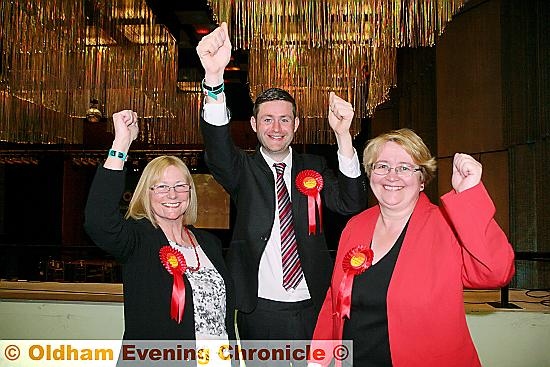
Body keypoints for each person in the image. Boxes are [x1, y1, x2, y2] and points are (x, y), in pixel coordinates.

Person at [196, 21, 368, 360]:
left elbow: (352, 202)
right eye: (268, 119)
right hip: (259, 308)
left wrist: (344, 137)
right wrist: (215, 81)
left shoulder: (313, 167)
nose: (277, 128)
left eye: (285, 119)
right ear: (255, 125)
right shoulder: (241, 169)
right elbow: (217, 149)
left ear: (296, 125)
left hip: (314, 302)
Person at [309, 128, 515, 367]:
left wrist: (468, 193)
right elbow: (335, 299)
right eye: (382, 166)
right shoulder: (356, 226)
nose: (392, 176)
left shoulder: (446, 225)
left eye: (405, 168)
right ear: (370, 173)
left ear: (422, 179)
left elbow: (497, 273)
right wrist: (319, 359)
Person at [84, 110, 236, 365]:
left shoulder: (210, 243)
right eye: (162, 187)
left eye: (180, 186)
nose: (172, 194)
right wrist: (121, 143)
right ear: (147, 192)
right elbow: (98, 220)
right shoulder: (138, 238)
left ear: (190, 191)